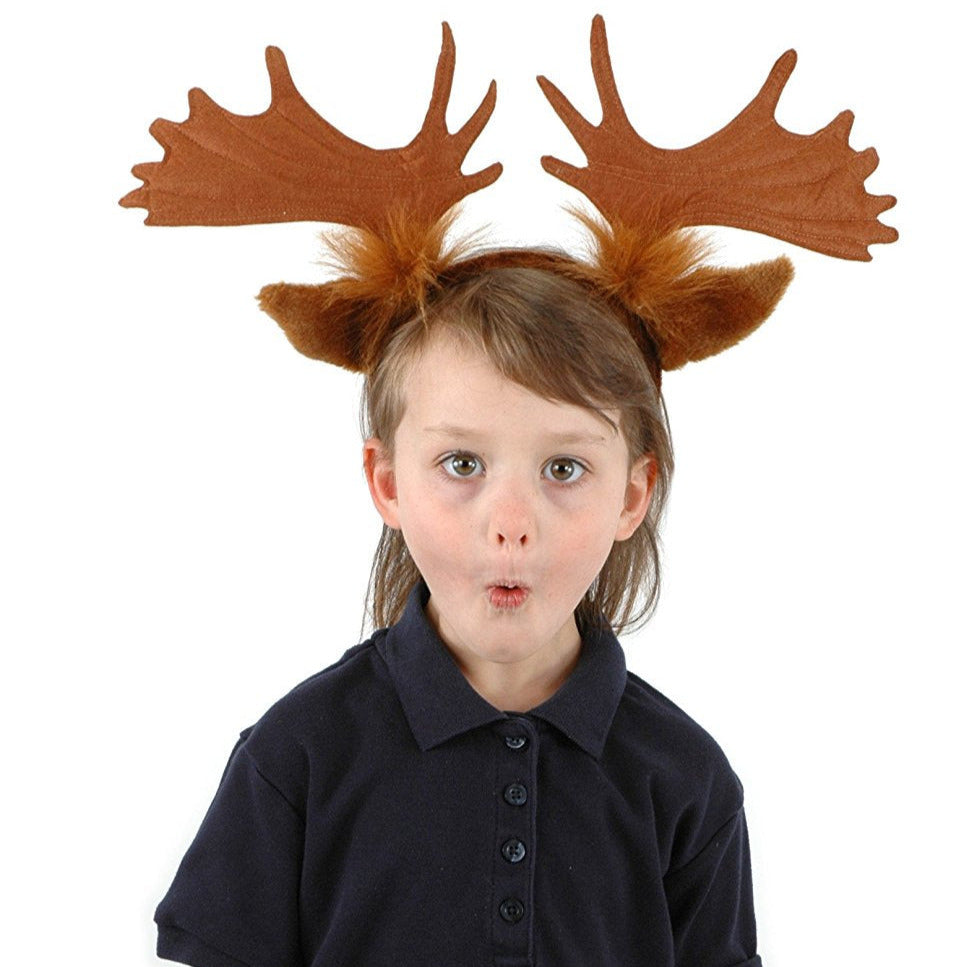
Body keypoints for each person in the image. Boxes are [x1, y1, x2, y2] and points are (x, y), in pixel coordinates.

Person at [123, 15, 895, 967]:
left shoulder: (686, 780)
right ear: (385, 480)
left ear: (632, 492)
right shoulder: (298, 755)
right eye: (461, 464)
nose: (511, 522)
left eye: (564, 467)